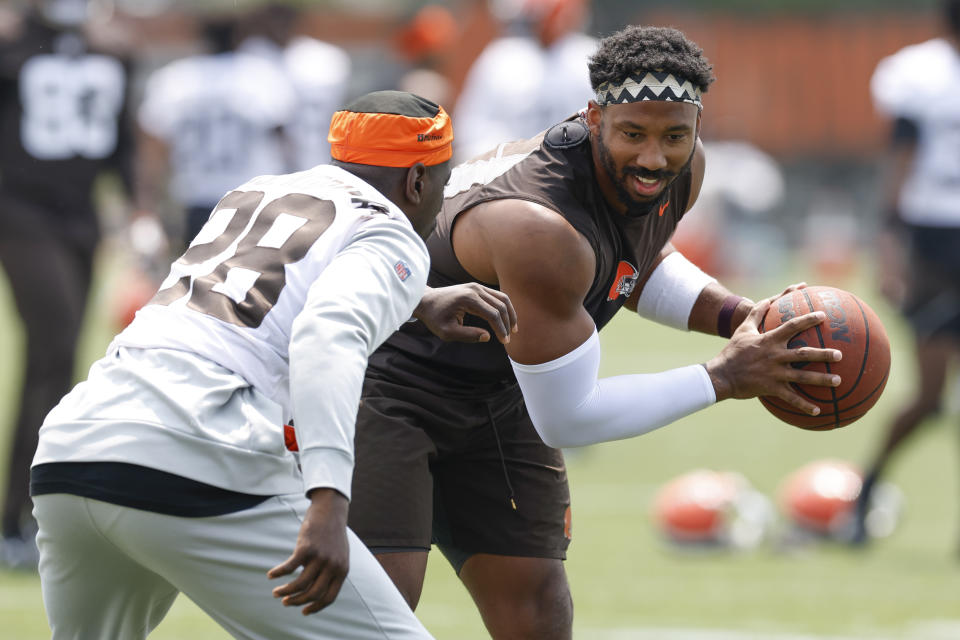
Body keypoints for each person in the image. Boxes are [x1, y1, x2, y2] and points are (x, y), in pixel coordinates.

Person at [347, 26, 844, 639]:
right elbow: (569, 417)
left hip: (500, 388)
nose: (654, 158)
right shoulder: (539, 228)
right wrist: (724, 376)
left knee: (536, 607)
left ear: (696, 127)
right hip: (390, 384)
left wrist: (736, 315)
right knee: (378, 608)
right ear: (594, 116)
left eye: (674, 136)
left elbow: (632, 263)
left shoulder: (681, 173)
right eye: (632, 134)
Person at [29, 91, 516, 639]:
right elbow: (325, 338)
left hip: (74, 448)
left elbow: (245, 295)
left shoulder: (256, 191)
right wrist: (330, 500)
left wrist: (414, 299)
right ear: (418, 181)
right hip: (194, 447)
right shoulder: (389, 230)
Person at [0, 0, 153, 569]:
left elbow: (124, 144)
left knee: (62, 364)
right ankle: (15, 517)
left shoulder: (111, 49)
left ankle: (38, 513)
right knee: (55, 344)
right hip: (18, 210)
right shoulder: (12, 43)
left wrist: (139, 214)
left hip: (81, 218)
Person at [850, 0, 960, 547]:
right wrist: (888, 248)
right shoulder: (921, 75)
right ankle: (866, 491)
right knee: (932, 396)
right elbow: (899, 158)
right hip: (934, 243)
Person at [135, 14, 295, 249]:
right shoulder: (263, 76)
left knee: (198, 281)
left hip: (197, 203)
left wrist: (145, 207)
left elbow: (152, 150)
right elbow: (285, 144)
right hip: (255, 200)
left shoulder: (175, 79)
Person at [452, 0, 598, 162]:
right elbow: (471, 127)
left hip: (576, 166)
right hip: (510, 169)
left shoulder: (588, 57)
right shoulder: (500, 57)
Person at [237, 2, 352, 172]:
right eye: (273, 14)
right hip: (264, 170)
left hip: (319, 162)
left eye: (283, 14)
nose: (277, 23)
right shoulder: (249, 56)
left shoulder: (326, 58)